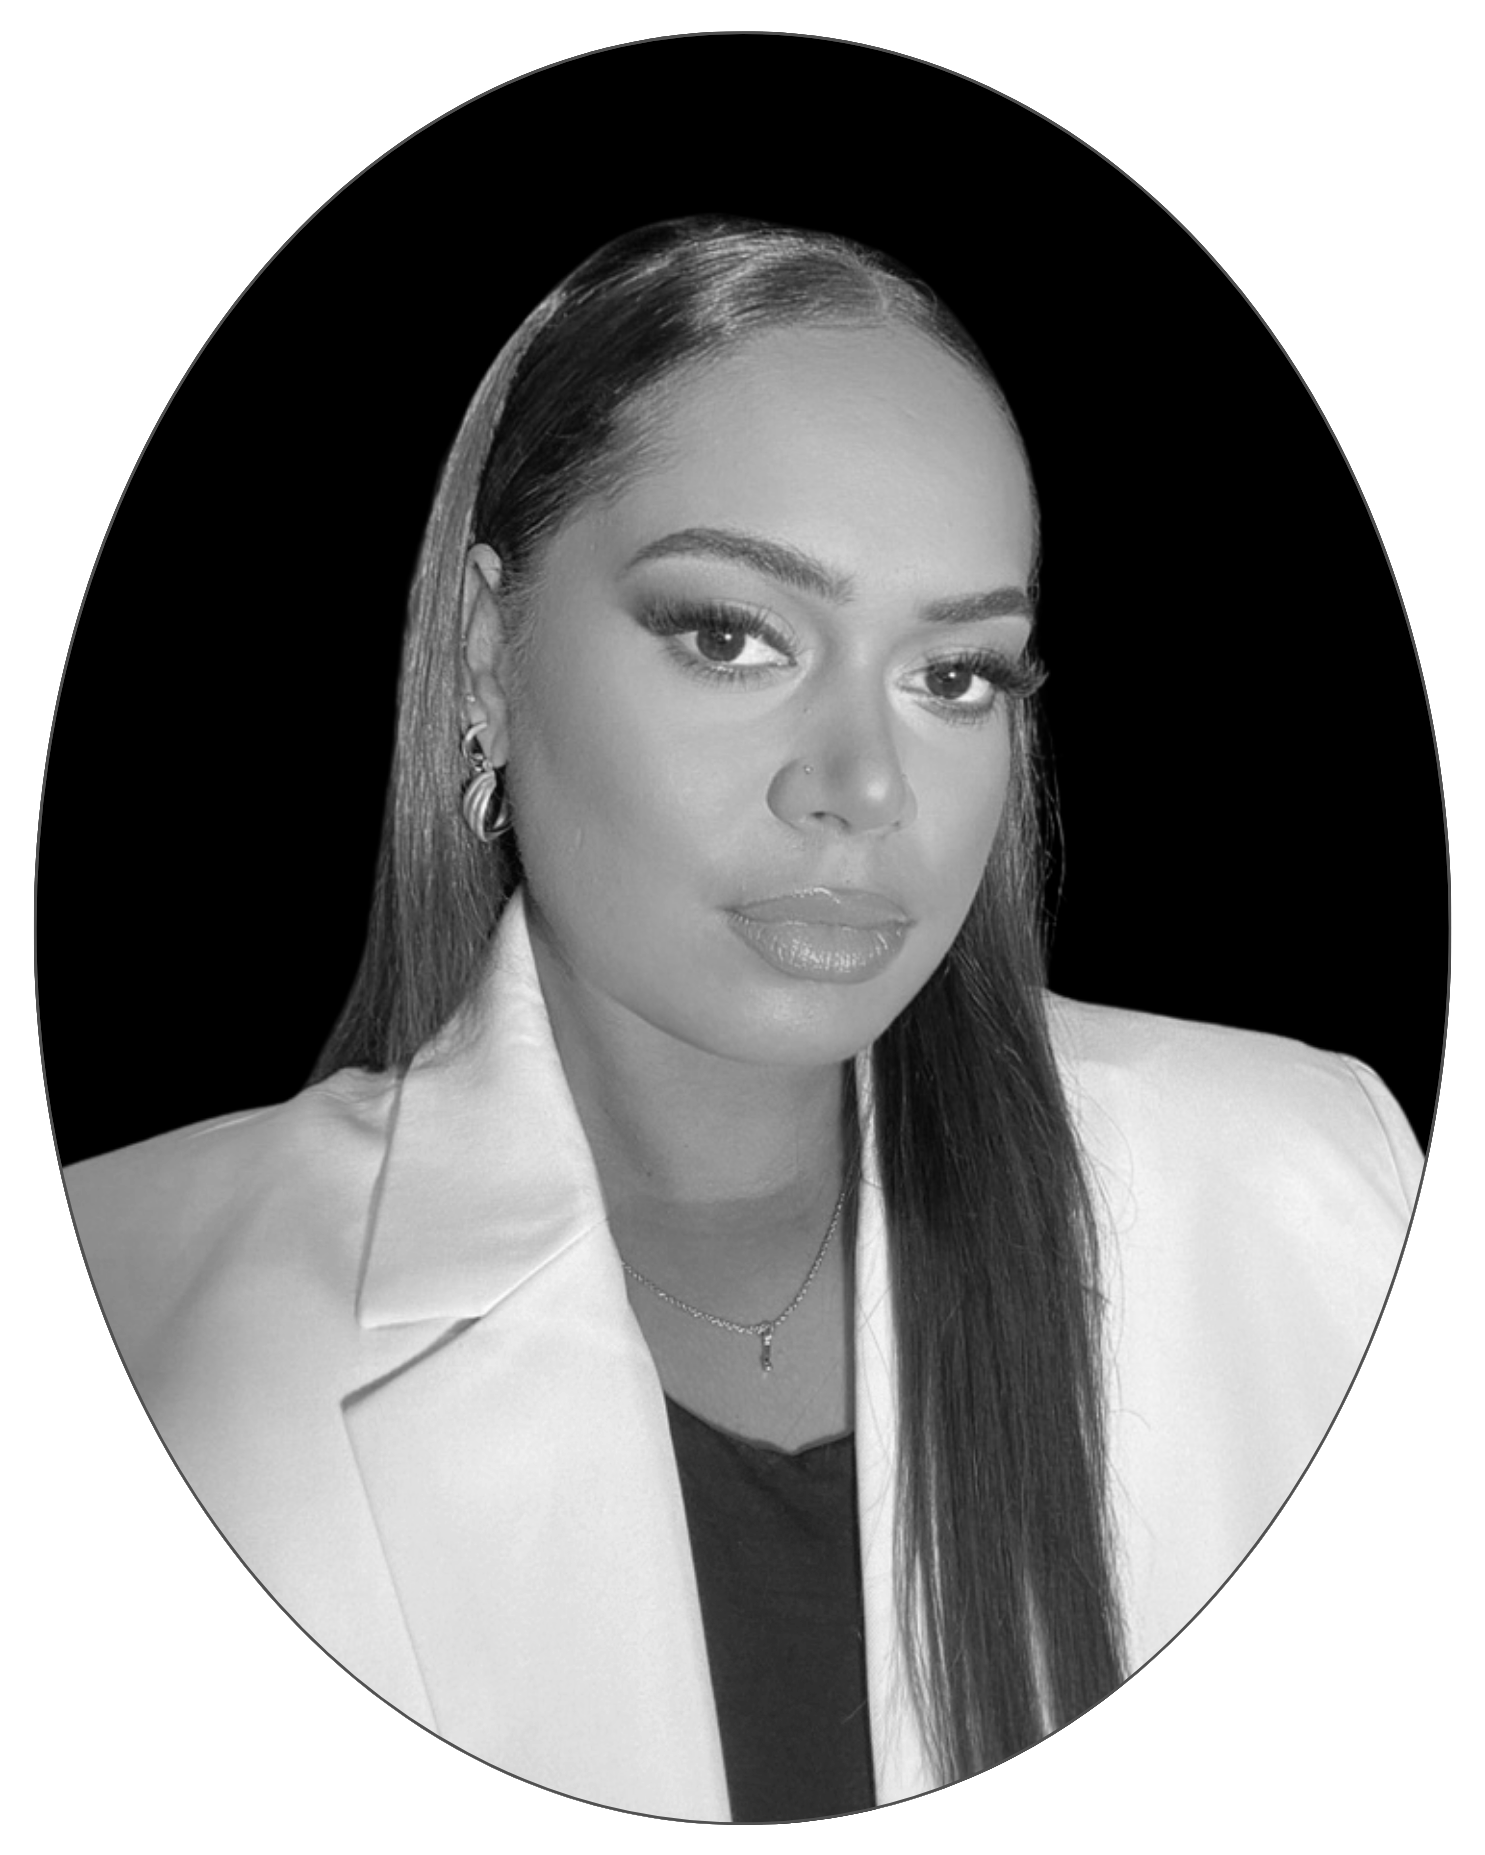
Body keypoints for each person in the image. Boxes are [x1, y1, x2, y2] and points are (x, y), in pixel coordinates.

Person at [61, 216, 1423, 1824]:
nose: (861, 787)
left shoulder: (1313, 1199)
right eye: (731, 636)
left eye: (956, 674)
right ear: (488, 656)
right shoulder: (157, 1296)